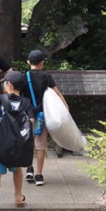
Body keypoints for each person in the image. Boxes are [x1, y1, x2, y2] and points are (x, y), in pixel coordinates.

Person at [0, 71, 34, 211]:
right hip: (18, 145)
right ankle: (18, 197)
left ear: (10, 85)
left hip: (1, 143)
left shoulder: (0, 99)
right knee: (17, 168)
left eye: (4, 82)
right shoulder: (26, 102)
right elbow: (31, 120)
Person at [22, 49, 69, 186]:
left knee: (28, 141)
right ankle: (39, 175)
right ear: (42, 63)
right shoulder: (46, 76)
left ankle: (29, 168)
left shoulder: (24, 76)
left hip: (26, 115)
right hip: (42, 116)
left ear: (28, 62)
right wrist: (65, 107)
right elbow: (57, 93)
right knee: (40, 144)